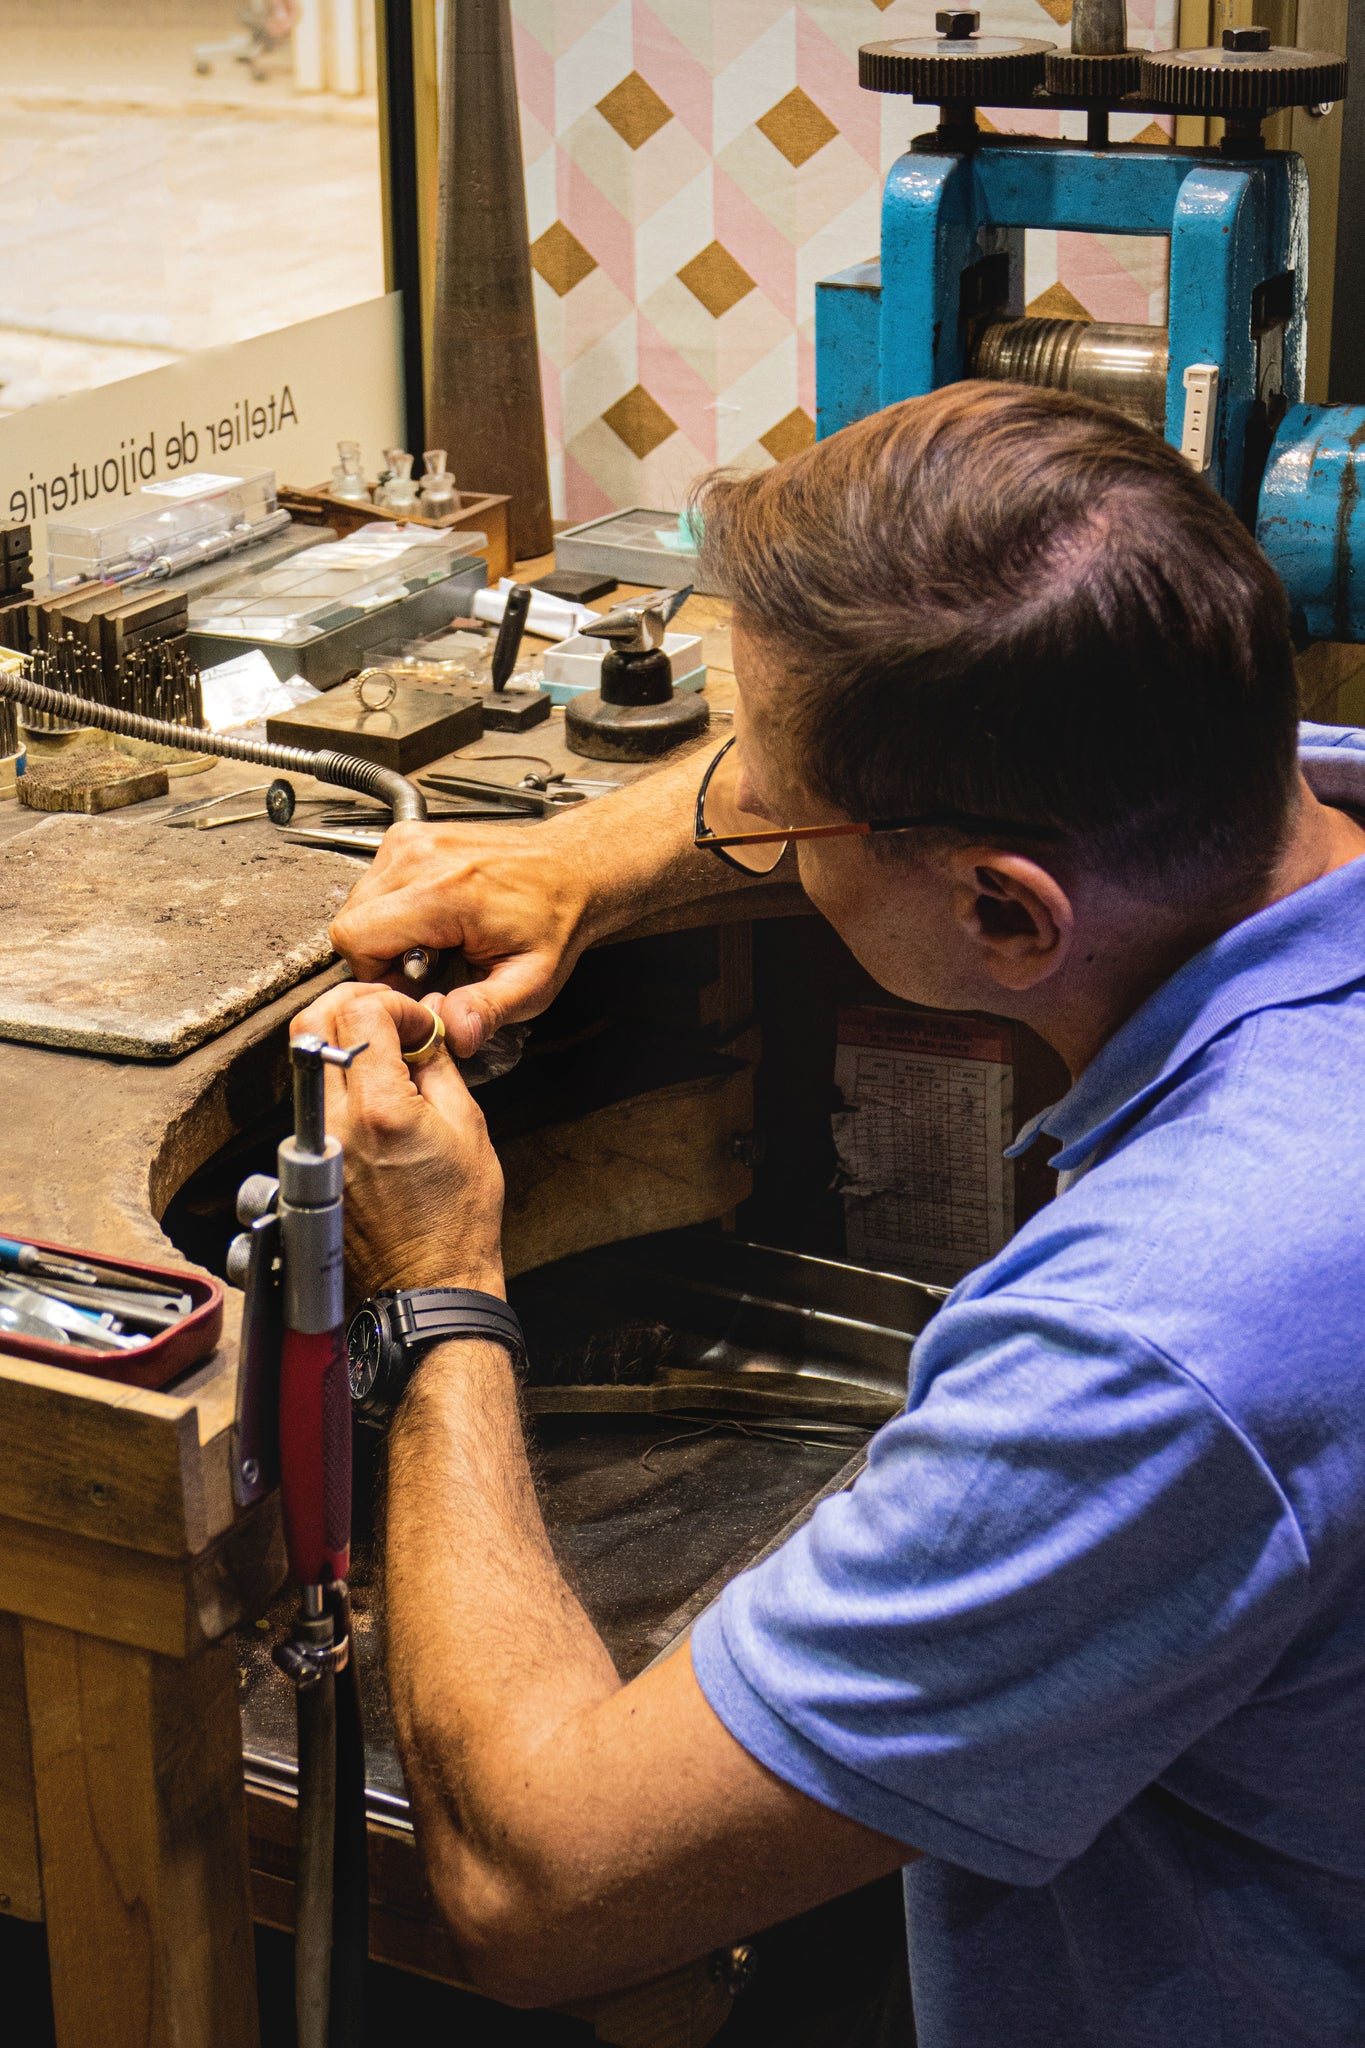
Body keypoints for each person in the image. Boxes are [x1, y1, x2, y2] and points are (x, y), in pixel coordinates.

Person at [293, 383, 1365, 2047]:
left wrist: (437, 1289)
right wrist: (587, 860)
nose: (743, 837)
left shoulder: (1155, 1344)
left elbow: (540, 1892)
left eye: (771, 822)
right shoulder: (1235, 780)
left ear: (1006, 912)